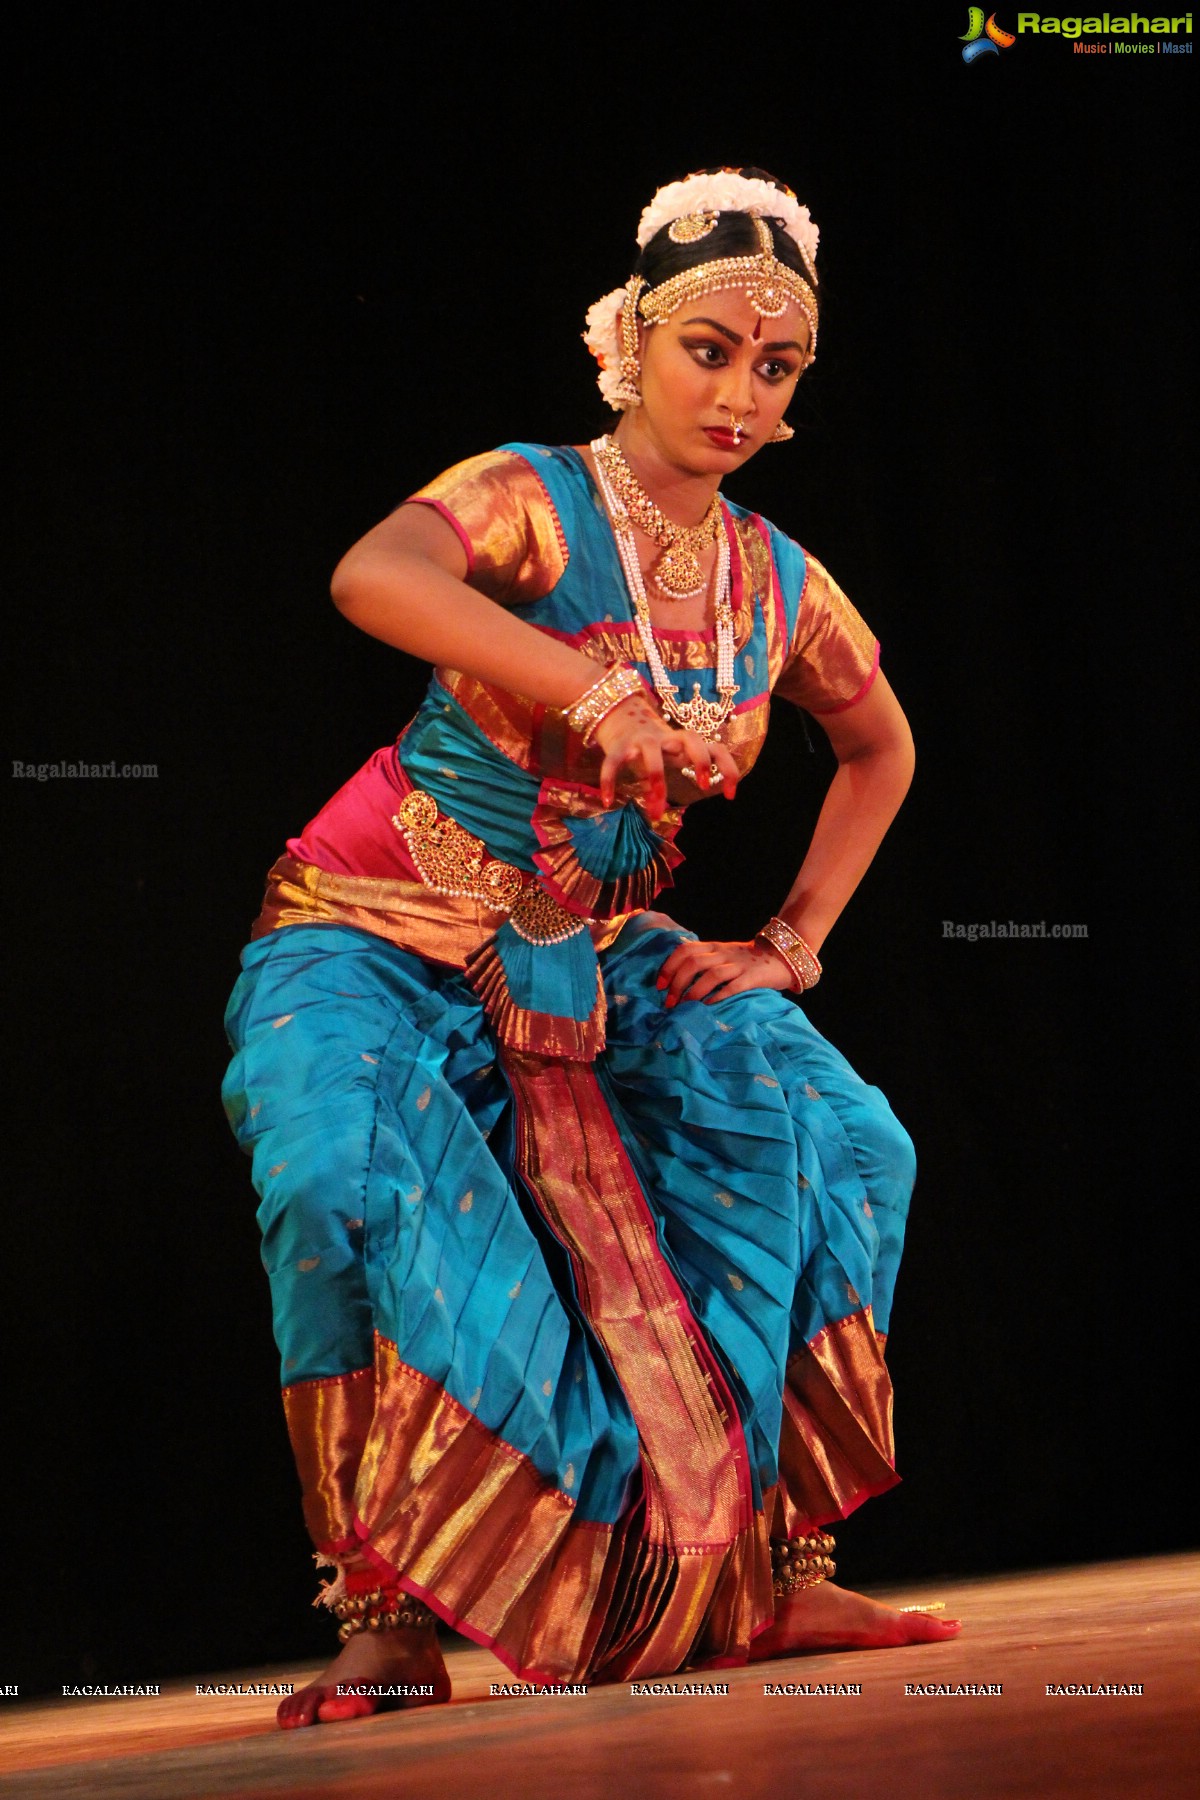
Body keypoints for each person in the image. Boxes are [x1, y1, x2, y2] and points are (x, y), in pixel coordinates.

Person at [222, 166, 961, 1730]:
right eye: (709, 351)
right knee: (339, 1177)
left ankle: (770, 1564)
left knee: (840, 1139)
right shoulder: (525, 493)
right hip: (378, 924)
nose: (741, 393)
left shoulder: (775, 579)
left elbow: (881, 746)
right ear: (630, 341)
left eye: (777, 367)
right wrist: (587, 689)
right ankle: (390, 1613)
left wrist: (789, 941)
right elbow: (377, 576)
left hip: (599, 952)